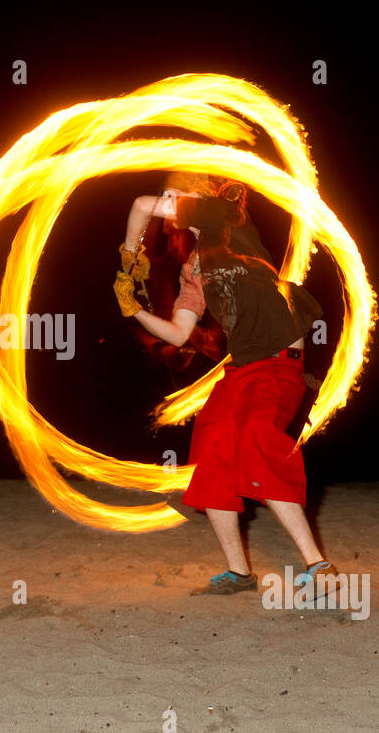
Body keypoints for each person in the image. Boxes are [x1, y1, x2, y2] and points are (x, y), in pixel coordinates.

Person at [113, 172, 337, 594]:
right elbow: (179, 333)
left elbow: (142, 204)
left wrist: (128, 254)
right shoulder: (192, 271)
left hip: (279, 363)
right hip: (243, 369)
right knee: (211, 452)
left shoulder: (224, 217)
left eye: (175, 194)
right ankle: (239, 572)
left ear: (195, 194)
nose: (169, 203)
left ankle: (317, 565)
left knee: (257, 440)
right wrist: (133, 310)